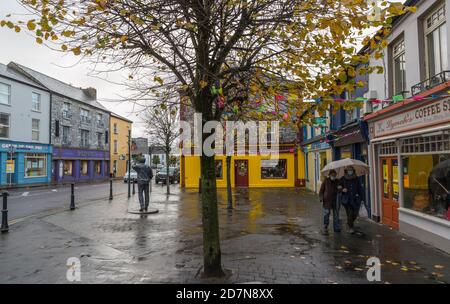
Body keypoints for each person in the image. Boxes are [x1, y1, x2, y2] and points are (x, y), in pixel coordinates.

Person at [338, 166, 364, 234]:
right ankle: (350, 227)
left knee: (355, 213)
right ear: (346, 171)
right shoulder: (343, 178)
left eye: (351, 170)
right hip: (347, 199)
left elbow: (359, 188)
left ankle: (349, 223)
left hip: (355, 199)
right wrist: (342, 189)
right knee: (350, 213)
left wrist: (362, 198)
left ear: (353, 171)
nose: (350, 171)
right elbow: (338, 186)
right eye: (349, 170)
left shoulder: (356, 178)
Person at [319, 169, 341, 235]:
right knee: (326, 214)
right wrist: (321, 198)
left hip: (335, 201)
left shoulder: (337, 181)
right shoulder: (326, 181)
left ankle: (336, 227)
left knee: (336, 215)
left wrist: (340, 189)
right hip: (327, 201)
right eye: (332, 175)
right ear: (329, 175)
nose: (333, 176)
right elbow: (321, 191)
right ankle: (325, 226)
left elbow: (339, 191)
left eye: (334, 175)